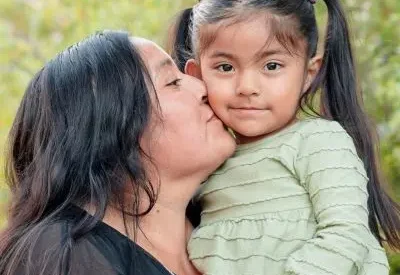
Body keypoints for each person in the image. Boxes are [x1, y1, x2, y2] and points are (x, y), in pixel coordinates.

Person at [169, 0, 400, 274]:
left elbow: (347, 233)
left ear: (308, 74)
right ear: (196, 75)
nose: (247, 87)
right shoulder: (207, 162)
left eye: (272, 66)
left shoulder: (318, 142)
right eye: (225, 68)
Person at [0, 30, 236, 275]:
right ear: (110, 128)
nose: (201, 87)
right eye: (173, 82)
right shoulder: (61, 253)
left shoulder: (230, 222)